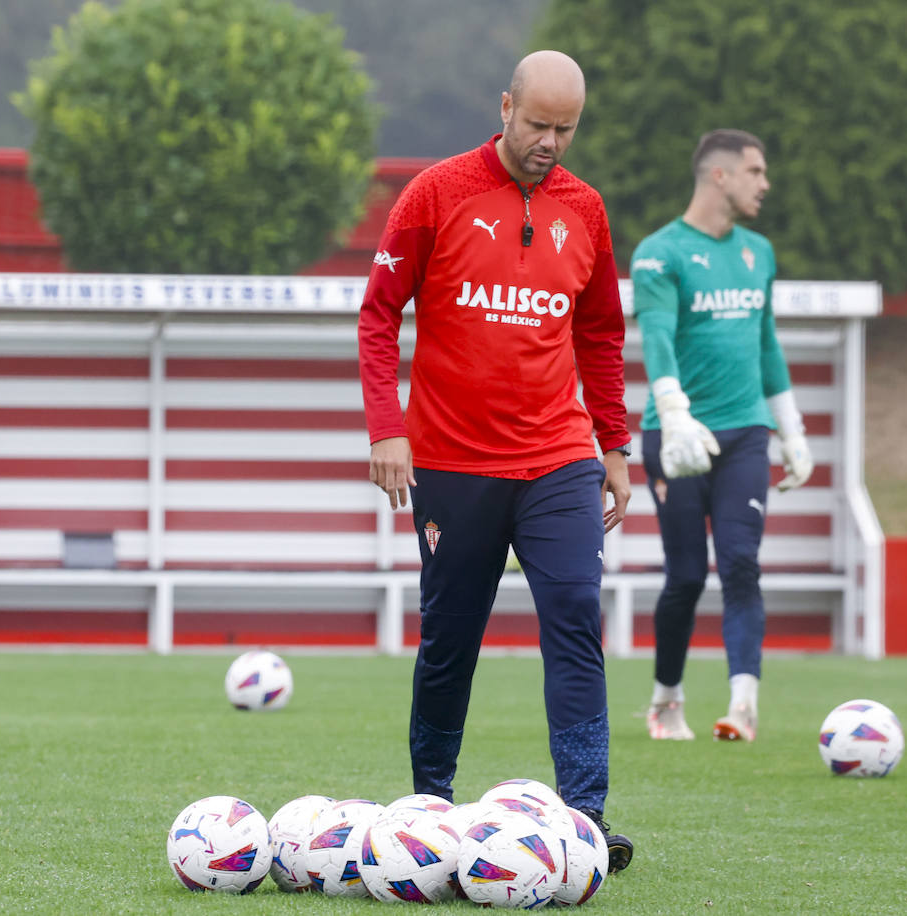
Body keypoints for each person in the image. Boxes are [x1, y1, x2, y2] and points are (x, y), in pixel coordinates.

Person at [357, 49, 634, 872]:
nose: (551, 142)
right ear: (506, 105)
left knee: (577, 616)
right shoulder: (436, 194)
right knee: (450, 639)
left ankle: (584, 818)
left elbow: (600, 335)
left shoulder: (586, 210)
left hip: (557, 459)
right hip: (451, 463)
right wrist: (386, 427)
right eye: (538, 124)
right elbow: (378, 316)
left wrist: (614, 445)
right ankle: (430, 810)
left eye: (566, 129)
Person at [630, 129, 813, 744]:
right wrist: (673, 410)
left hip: (744, 435)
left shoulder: (758, 252)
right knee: (685, 576)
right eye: (755, 171)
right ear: (720, 176)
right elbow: (655, 334)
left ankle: (743, 705)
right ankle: (666, 701)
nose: (765, 183)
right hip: (675, 438)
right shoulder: (660, 253)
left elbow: (766, 344)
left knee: (740, 564)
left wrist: (791, 429)